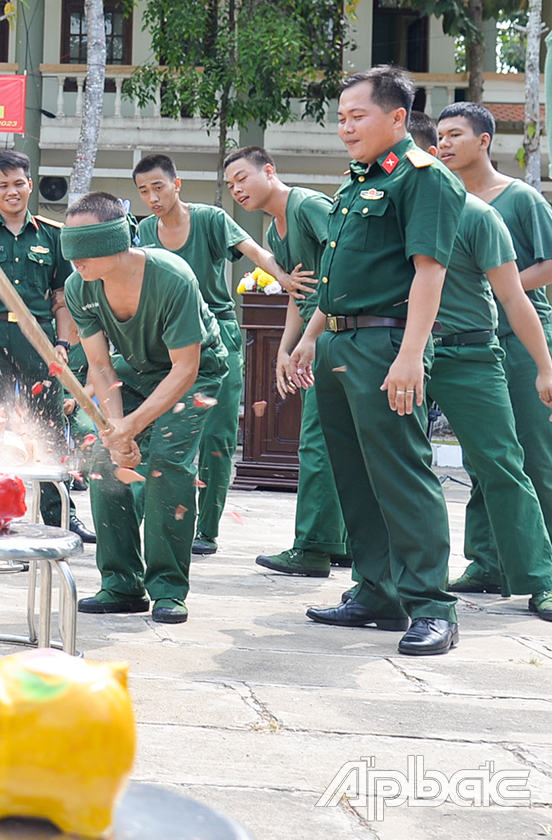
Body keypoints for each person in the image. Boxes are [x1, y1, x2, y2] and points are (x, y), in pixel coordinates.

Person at [288, 65, 466, 656]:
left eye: (357, 116)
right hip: (339, 342)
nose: (345, 128)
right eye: (340, 118)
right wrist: (311, 336)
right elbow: (338, 275)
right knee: (355, 476)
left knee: (402, 475)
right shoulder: (358, 181)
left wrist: (412, 355)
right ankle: (377, 592)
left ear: (396, 117)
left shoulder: (423, 178)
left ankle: (432, 606)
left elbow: (429, 272)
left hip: (386, 346)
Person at [403, 111, 552, 621]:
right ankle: (486, 561)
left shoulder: (514, 201)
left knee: (524, 457)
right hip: (437, 344)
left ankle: (541, 571)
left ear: (484, 140)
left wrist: (490, 280)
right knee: (475, 461)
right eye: (439, 137)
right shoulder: (424, 203)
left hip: (507, 339)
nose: (444, 144)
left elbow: (537, 274)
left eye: (454, 135)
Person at [64, 193, 226, 624]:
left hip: (193, 373)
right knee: (104, 460)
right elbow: (100, 365)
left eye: (85, 247)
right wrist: (117, 429)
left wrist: (135, 424)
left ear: (114, 240)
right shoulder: (79, 287)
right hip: (132, 370)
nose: (76, 260)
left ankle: (169, 588)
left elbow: (186, 368)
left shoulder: (172, 277)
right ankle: (121, 584)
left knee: (168, 465)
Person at [134, 153, 302, 556]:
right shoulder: (144, 230)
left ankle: (205, 531)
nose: (153, 198)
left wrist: (283, 277)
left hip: (216, 336)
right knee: (160, 432)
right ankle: (143, 517)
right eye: (144, 191)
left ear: (176, 185)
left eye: (158, 187)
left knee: (217, 435)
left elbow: (255, 252)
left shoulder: (210, 220)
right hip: (166, 341)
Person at [0, 149, 89, 542]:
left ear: (30, 185)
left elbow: (61, 296)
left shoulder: (52, 234)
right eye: (3, 185)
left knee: (49, 423)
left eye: (19, 183)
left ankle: (61, 516)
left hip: (37, 338)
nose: (12, 191)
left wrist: (62, 343)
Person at [223, 147, 351, 577]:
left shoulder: (308, 207)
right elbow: (300, 290)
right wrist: (284, 347)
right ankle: (339, 543)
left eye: (242, 178)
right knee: (329, 441)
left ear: (269, 171)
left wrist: (311, 337)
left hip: (339, 331)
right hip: (320, 332)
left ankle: (314, 547)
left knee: (318, 442)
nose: (237, 189)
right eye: (230, 185)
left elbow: (342, 270)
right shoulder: (275, 231)